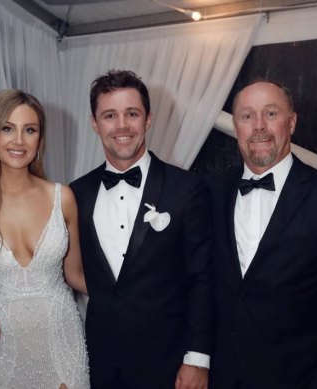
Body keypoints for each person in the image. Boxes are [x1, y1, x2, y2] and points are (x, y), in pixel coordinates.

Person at [207, 80, 317, 389]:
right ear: (235, 126)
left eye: (270, 114)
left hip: (302, 379)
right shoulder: (210, 193)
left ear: (292, 122)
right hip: (222, 377)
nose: (259, 126)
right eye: (247, 116)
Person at [70, 70, 213, 389]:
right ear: (95, 123)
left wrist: (198, 359)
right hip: (100, 364)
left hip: (171, 365)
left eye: (131, 114)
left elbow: (202, 278)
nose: (121, 126)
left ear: (148, 119)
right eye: (110, 115)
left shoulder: (187, 189)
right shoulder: (75, 194)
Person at [0, 89, 89, 389]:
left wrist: (139, 294)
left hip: (61, 340)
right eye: (8, 129)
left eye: (30, 130)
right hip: (0, 345)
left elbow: (76, 276)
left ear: (40, 139)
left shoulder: (62, 198)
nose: (19, 141)